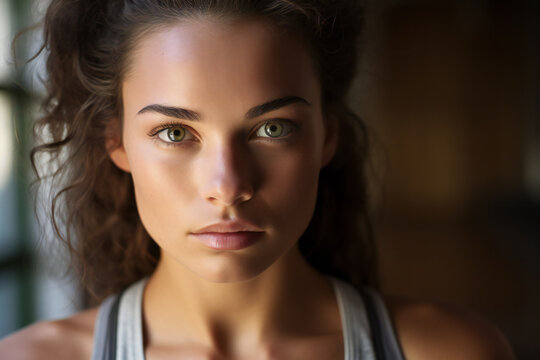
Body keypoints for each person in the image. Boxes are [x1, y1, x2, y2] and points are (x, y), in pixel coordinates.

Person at [0, 0, 515, 359]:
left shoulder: (454, 351)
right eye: (175, 132)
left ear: (326, 138)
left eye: (272, 128)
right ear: (117, 143)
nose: (227, 186)